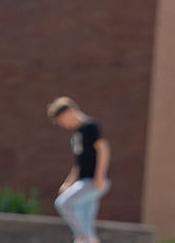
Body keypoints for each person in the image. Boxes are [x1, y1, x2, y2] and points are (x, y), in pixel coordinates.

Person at [48, 96, 111, 243]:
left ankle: (86, 237)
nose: (63, 125)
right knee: (86, 221)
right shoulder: (77, 134)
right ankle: (87, 238)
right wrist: (69, 182)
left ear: (68, 113)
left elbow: (103, 148)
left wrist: (100, 175)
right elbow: (79, 163)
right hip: (83, 181)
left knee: (63, 203)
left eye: (62, 120)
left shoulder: (90, 127)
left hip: (92, 181)